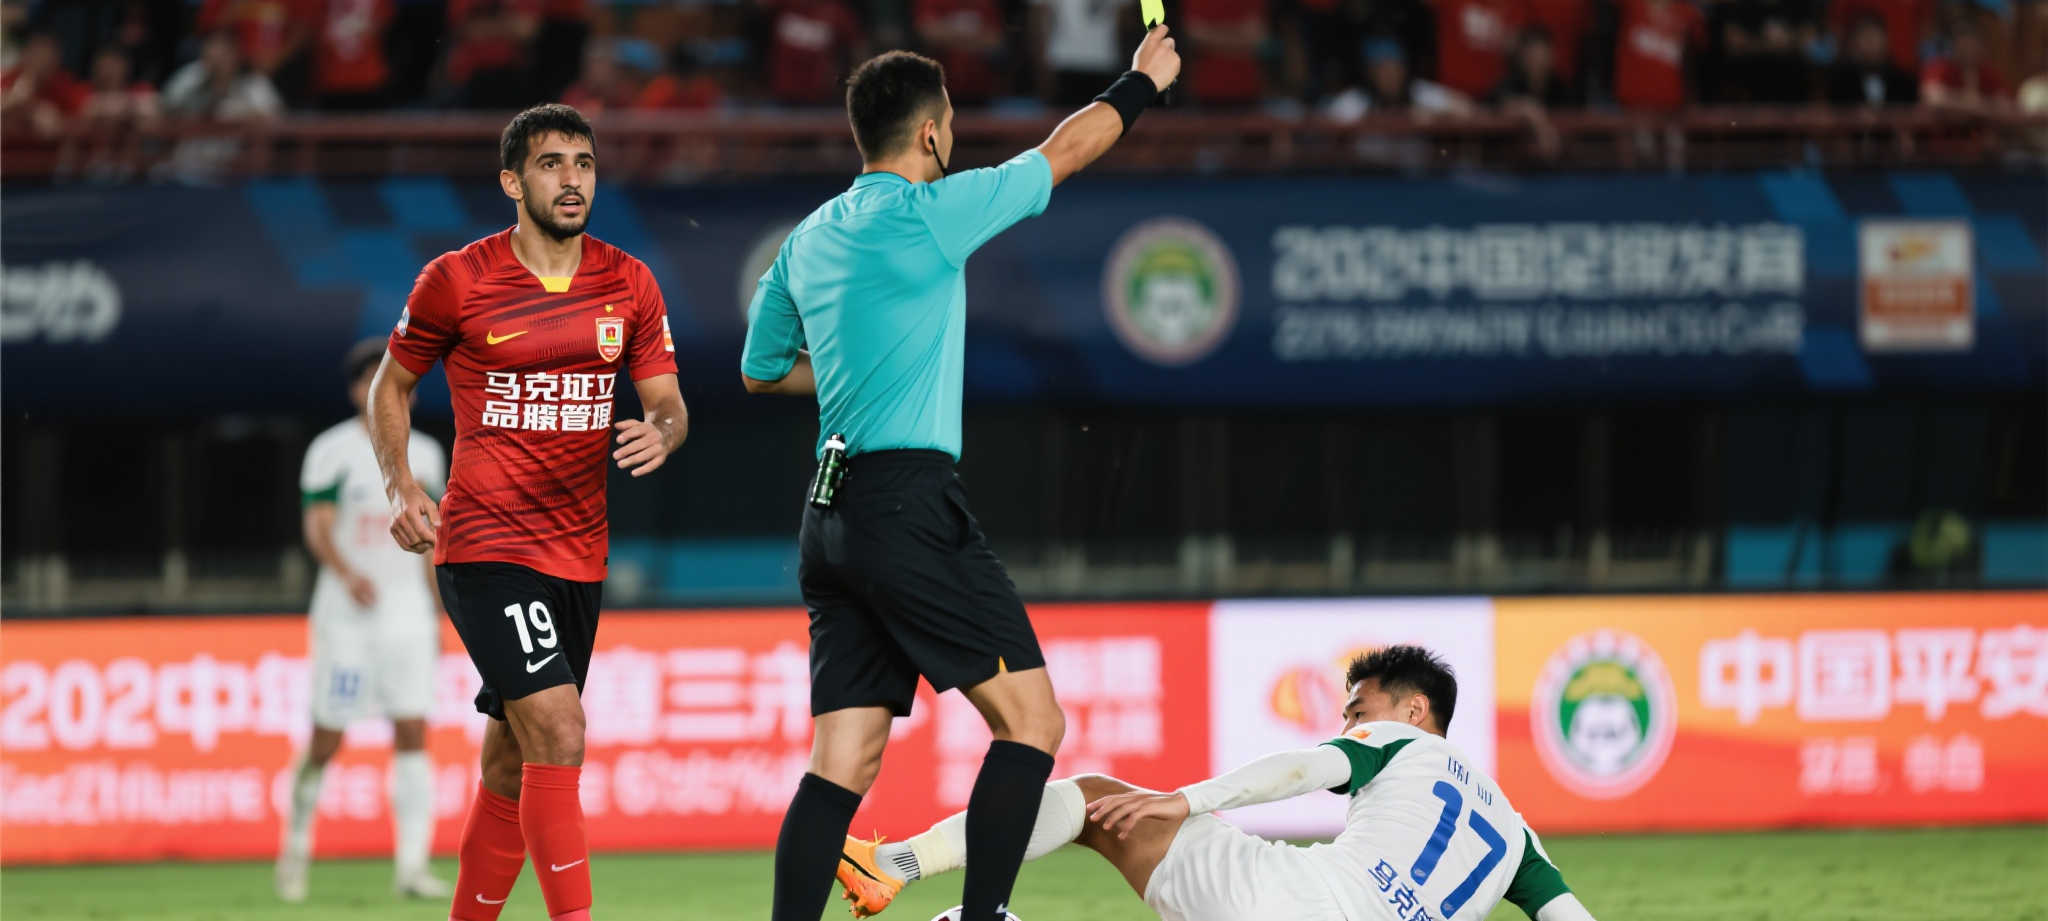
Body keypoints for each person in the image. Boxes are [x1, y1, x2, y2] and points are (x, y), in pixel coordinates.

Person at [739, 30, 1181, 921]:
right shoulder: (934, 212)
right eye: (950, 125)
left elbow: (760, 369)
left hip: (829, 515)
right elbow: (1067, 148)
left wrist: (855, 370)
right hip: (907, 503)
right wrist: (1142, 81)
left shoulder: (808, 237)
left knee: (843, 761)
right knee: (1033, 722)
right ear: (931, 134)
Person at [367, 103, 689, 921]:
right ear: (513, 182)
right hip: (485, 544)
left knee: (513, 761)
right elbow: (390, 386)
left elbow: (668, 404)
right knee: (562, 729)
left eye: (583, 163)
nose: (572, 179)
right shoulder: (458, 278)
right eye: (552, 164)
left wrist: (660, 432)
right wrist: (402, 485)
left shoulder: (629, 281)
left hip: (579, 552)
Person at [837, 646, 1601, 921]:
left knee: (1096, 798)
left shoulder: (1401, 739)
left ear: (1414, 708)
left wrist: (1188, 797)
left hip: (1289, 901)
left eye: (1356, 710)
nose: (1346, 723)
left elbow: (1304, 768)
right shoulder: (1517, 836)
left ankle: (895, 862)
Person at [276, 339, 451, 904]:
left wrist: (439, 611)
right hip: (348, 618)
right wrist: (347, 573)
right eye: (377, 379)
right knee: (328, 735)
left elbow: (432, 541)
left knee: (413, 729)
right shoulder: (332, 451)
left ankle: (412, 867)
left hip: (407, 614)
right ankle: (295, 846)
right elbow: (318, 526)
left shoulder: (428, 454)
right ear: (359, 390)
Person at [1825, 14, 1917, 105]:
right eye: (1864, 37)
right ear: (1853, 42)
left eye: (1874, 36)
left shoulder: (1904, 81)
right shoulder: (1839, 82)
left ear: (1886, 40)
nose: (1870, 43)